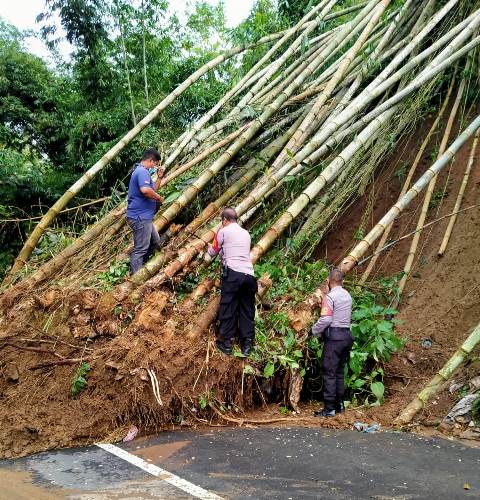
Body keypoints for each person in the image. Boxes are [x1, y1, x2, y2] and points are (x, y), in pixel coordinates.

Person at [208, 207, 257, 356]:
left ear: (224, 220)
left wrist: (210, 248)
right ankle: (247, 345)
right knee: (247, 309)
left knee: (228, 306)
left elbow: (213, 252)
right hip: (249, 275)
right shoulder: (246, 233)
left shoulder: (222, 232)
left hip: (233, 274)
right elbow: (236, 250)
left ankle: (226, 343)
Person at [311, 268, 353, 417]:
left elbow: (326, 319)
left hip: (334, 338)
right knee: (339, 372)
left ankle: (329, 409)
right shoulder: (348, 295)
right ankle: (339, 405)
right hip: (347, 337)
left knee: (329, 372)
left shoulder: (330, 297)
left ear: (328, 281)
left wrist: (313, 330)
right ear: (342, 281)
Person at [126, 148, 165, 274]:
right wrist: (159, 198)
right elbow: (145, 191)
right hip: (140, 217)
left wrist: (159, 177)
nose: (155, 166)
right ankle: (136, 276)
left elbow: (152, 188)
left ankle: (141, 267)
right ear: (151, 161)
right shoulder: (142, 172)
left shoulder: (141, 171)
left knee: (155, 241)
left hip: (144, 217)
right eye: (156, 164)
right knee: (140, 249)